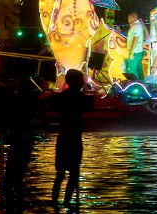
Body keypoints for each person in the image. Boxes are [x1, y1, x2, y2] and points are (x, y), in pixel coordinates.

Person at [42, 68, 94, 209]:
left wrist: (46, 123)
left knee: (60, 174)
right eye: (81, 80)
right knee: (74, 173)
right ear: (76, 81)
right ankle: (67, 201)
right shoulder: (79, 97)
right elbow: (90, 104)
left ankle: (54, 201)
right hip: (74, 139)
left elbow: (43, 103)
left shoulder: (62, 97)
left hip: (63, 137)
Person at [3, 73, 42, 214]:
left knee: (11, 181)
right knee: (15, 181)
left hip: (20, 145)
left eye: (18, 85)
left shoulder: (22, 103)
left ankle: (14, 208)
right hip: (21, 144)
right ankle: (17, 208)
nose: (16, 88)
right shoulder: (29, 104)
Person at [126, 11, 147, 81]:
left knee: (132, 70)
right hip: (138, 52)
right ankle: (142, 84)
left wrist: (131, 52)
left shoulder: (136, 26)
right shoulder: (137, 25)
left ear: (133, 17)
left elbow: (135, 39)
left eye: (129, 18)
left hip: (135, 53)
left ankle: (135, 85)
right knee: (139, 69)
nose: (128, 20)